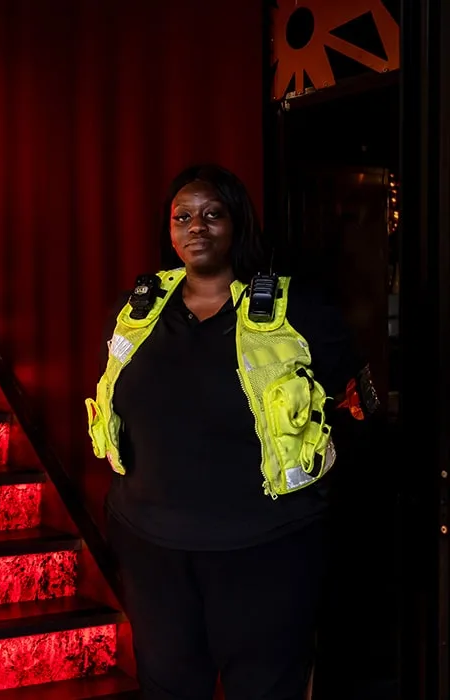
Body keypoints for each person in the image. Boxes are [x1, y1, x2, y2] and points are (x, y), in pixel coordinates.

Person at [85, 164, 376, 700]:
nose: (197, 226)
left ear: (237, 222)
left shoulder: (298, 309)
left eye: (212, 214)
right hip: (153, 550)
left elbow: (357, 404)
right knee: (168, 687)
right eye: (183, 216)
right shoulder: (137, 310)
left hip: (266, 550)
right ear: (170, 231)